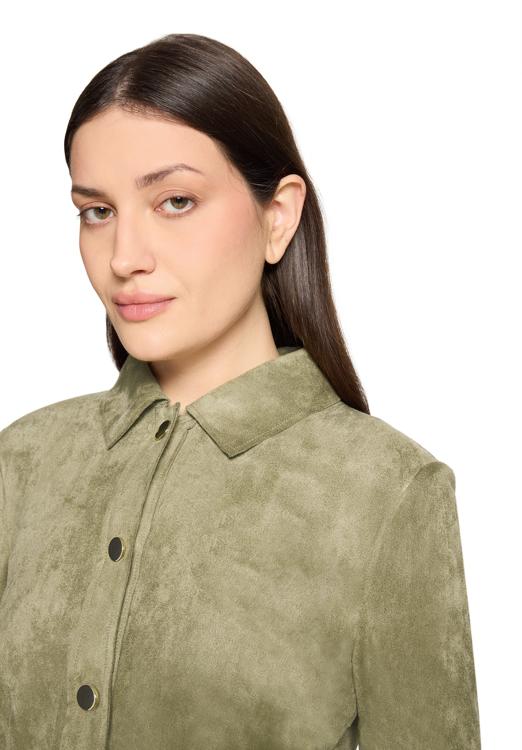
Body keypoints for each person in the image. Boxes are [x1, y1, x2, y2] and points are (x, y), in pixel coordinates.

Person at [0, 33, 481, 750]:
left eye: (175, 201)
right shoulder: (22, 463)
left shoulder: (385, 493)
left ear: (277, 215)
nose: (124, 258)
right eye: (97, 211)